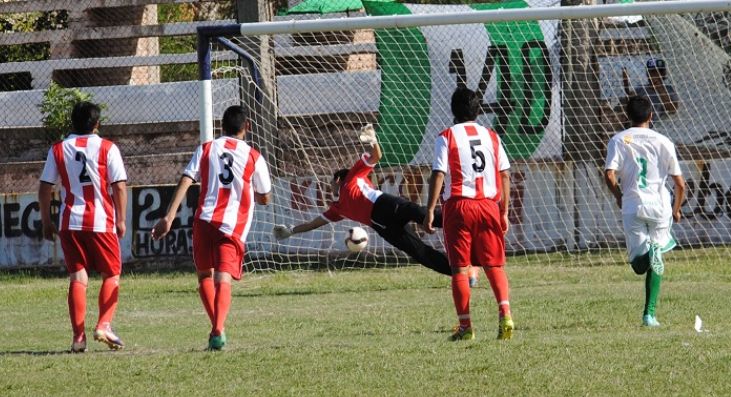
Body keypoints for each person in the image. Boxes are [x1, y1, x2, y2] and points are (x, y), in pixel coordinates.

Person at [273, 124, 479, 285]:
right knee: (419, 252)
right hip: (382, 226)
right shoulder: (338, 208)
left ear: (338, 180)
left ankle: (472, 224)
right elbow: (313, 223)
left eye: (331, 183)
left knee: (423, 214)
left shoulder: (352, 178)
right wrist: (291, 230)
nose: (330, 188)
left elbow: (376, 155)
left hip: (385, 205)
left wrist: (372, 140)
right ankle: (462, 271)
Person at [151, 106, 272, 350]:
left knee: (205, 274)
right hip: (232, 225)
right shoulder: (253, 156)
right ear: (247, 127)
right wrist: (253, 193)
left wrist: (170, 215)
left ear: (221, 126)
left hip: (204, 220)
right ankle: (217, 328)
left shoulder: (207, 148)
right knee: (223, 277)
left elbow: (187, 178)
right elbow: (266, 198)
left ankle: (218, 329)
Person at [423, 87, 514, 341]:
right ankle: (505, 313)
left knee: (460, 269)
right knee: (493, 264)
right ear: (478, 110)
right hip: (488, 205)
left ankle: (465, 327)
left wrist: (430, 209)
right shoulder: (492, 136)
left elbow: (439, 173)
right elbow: (505, 173)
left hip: (460, 207)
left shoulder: (446, 136)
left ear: (453, 110)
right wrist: (504, 211)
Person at [38, 101, 128, 352]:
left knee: (78, 276)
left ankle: (78, 338)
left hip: (70, 221)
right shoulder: (108, 148)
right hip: (101, 222)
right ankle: (104, 324)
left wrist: (46, 220)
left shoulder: (58, 149)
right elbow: (119, 186)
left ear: (72, 123)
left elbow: (45, 187)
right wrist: (121, 219)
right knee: (111, 273)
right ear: (97, 124)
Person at [604, 95, 686, 327]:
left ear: (626, 116)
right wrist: (676, 209)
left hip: (633, 206)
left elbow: (609, 174)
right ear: (651, 116)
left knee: (638, 265)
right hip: (660, 207)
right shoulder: (664, 141)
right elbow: (680, 184)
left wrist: (619, 196)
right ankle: (649, 315)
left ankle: (650, 309)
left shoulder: (619, 140)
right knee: (655, 256)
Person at [623, 57, 680, 122]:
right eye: (652, 72)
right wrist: (626, 83)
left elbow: (673, 109)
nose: (654, 75)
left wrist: (659, 88)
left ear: (663, 74)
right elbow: (630, 98)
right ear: (648, 73)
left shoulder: (669, 90)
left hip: (661, 126)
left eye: (658, 72)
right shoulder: (641, 89)